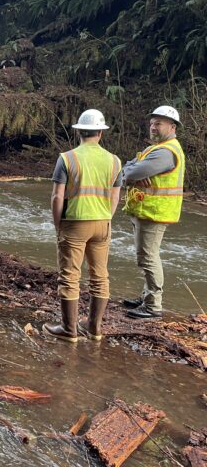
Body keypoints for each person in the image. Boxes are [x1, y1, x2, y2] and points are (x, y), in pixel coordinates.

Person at [43, 109, 122, 342]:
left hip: (74, 222)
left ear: (79, 132)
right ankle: (94, 328)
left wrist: (58, 224)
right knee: (100, 276)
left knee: (70, 276)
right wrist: (106, 217)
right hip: (103, 222)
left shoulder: (67, 158)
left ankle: (69, 330)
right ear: (100, 133)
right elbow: (116, 197)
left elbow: (57, 197)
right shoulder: (114, 161)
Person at [121, 105, 185, 319]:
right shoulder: (157, 148)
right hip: (147, 210)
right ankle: (147, 296)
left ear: (172, 126)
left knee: (148, 258)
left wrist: (132, 173)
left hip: (153, 212)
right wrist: (131, 171)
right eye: (151, 123)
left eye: (158, 123)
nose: (153, 127)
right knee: (146, 256)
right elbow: (129, 167)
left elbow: (132, 171)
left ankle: (152, 306)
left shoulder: (166, 152)